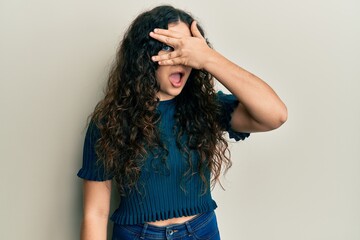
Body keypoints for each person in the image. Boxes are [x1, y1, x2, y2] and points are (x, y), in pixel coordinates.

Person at [77, 5, 287, 240]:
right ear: (145, 55)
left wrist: (209, 58)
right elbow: (95, 213)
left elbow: (275, 114)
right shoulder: (110, 120)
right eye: (170, 47)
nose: (182, 57)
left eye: (188, 49)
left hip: (201, 232)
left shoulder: (206, 107)